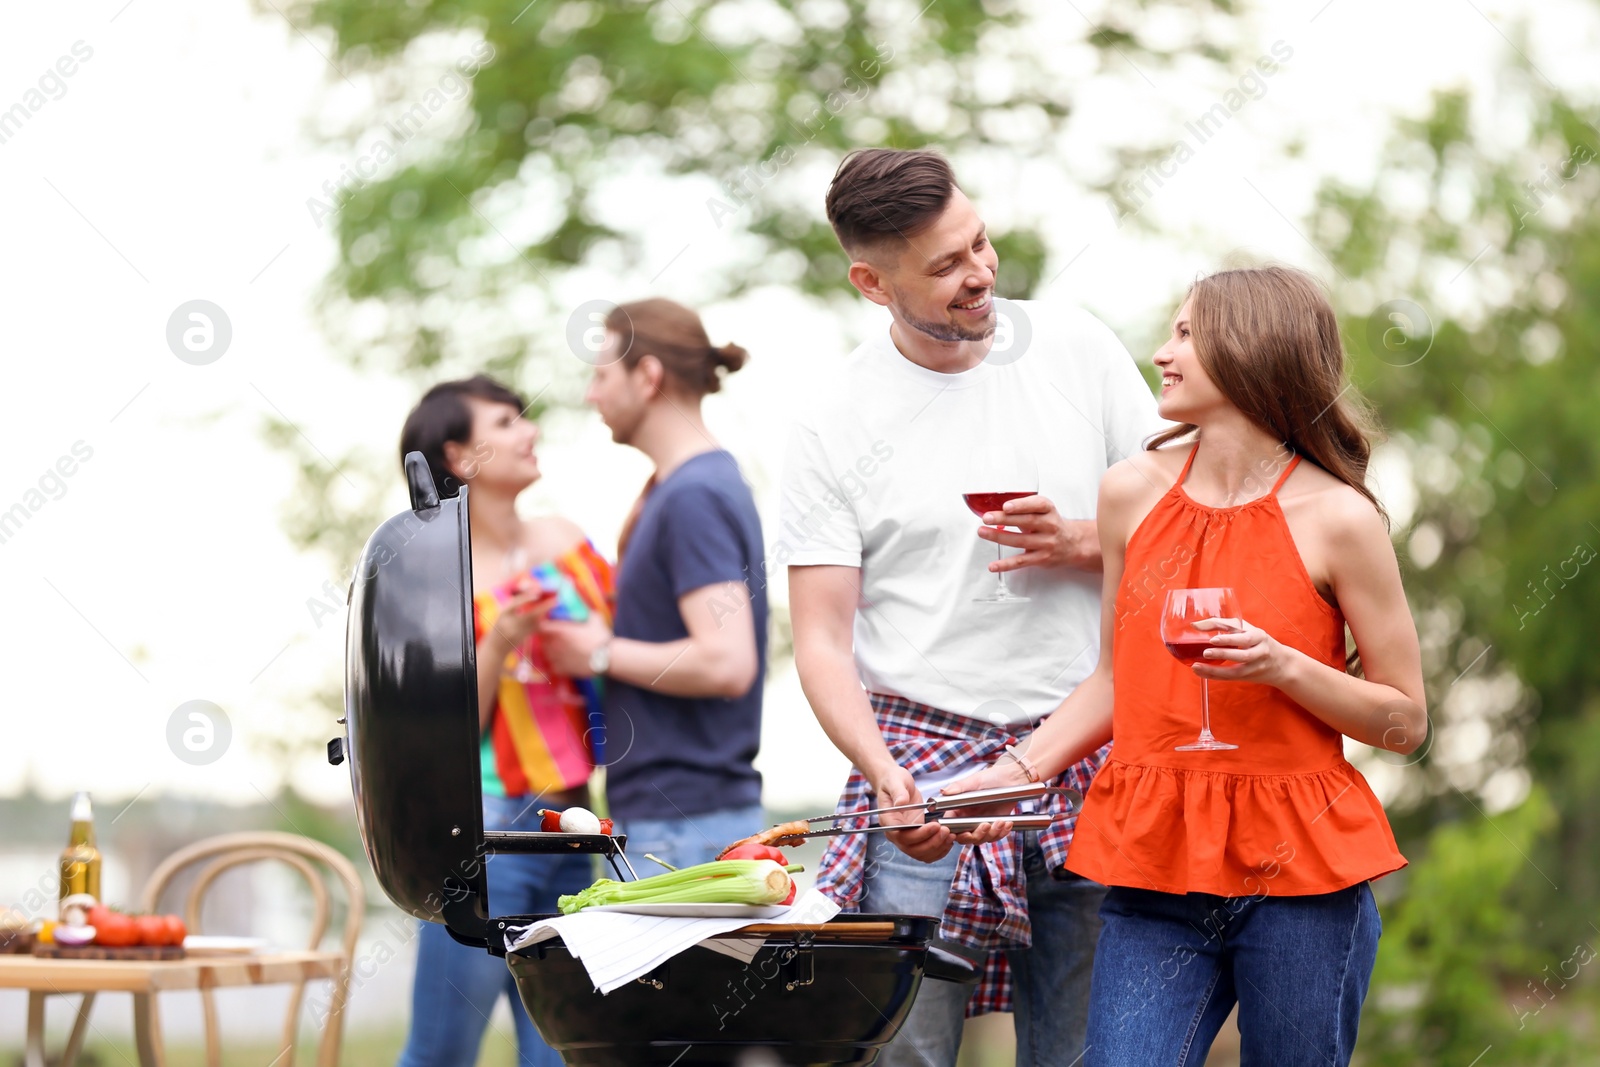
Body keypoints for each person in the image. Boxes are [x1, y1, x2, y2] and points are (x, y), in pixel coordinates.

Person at [947, 265, 1426, 1065]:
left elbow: (1405, 721)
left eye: (1185, 333)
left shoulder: (1342, 519)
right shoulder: (1128, 494)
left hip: (1304, 878)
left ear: (1252, 348)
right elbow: (1112, 680)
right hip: (1155, 864)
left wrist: (1283, 667)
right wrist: (1016, 771)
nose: (1161, 353)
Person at [781, 147, 1167, 1067]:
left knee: (1087, 1057)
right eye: (946, 266)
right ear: (871, 282)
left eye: (980, 243)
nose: (980, 274)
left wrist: (1080, 538)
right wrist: (884, 775)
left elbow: (1180, 531)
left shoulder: (1079, 349)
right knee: (906, 1057)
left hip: (1084, 755)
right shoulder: (833, 417)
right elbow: (823, 639)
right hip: (922, 774)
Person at [395, 375, 614, 1067]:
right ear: (461, 456)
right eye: (506, 422)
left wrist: (593, 646)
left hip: (574, 823)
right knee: (442, 1049)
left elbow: (625, 662)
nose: (531, 431)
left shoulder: (567, 542)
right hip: (484, 829)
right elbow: (438, 729)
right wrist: (500, 639)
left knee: (563, 1049)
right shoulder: (432, 573)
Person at [538, 298, 769, 868]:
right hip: (678, 820)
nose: (591, 394)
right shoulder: (681, 488)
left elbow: (726, 663)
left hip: (684, 827)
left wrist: (597, 653)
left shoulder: (692, 496)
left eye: (600, 375)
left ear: (648, 376)